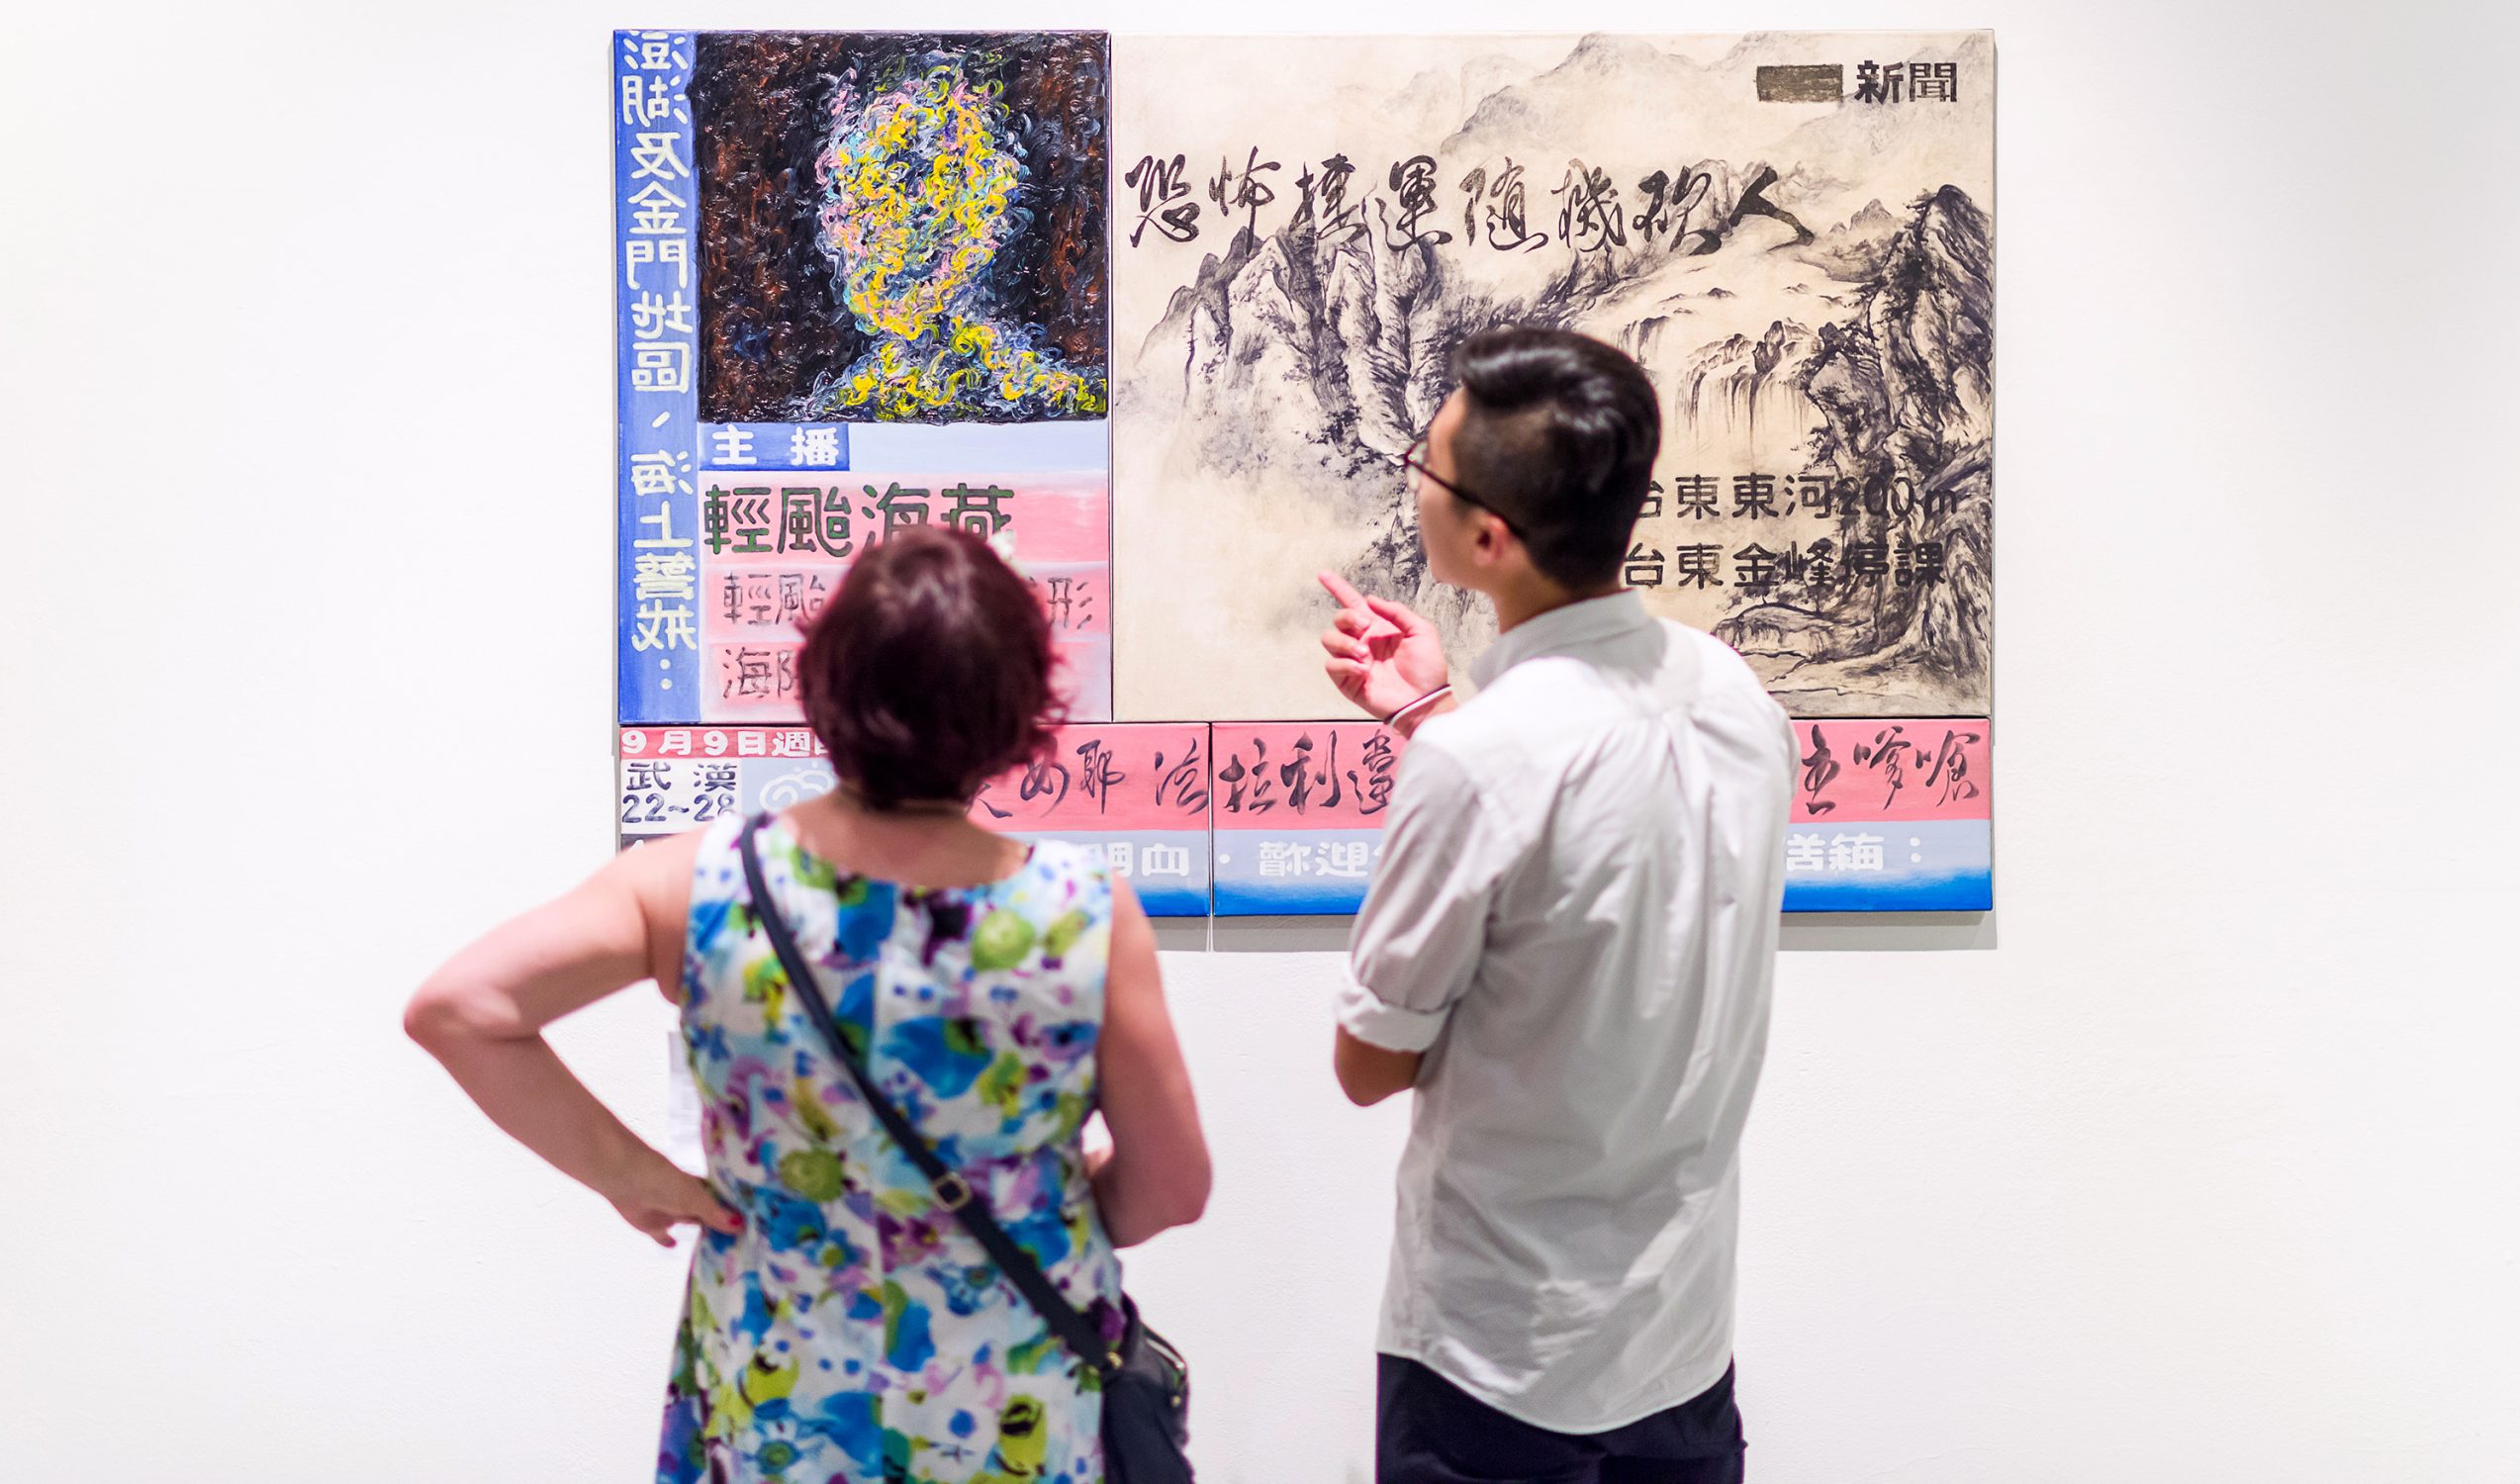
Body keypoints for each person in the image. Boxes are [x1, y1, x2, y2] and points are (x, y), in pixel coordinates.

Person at [407, 526, 1210, 1484]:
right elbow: (1172, 1186)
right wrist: (1034, 1197)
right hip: (1008, 1398)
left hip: (779, 1396)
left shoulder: (694, 884)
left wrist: (632, 1171)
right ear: (1020, 703)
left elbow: (460, 1007)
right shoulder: (1080, 911)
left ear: (823, 681)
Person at [1316, 327, 1797, 1484]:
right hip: (1679, 1342)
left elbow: (1369, 1062)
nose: (1413, 481)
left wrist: (1444, 735)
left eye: (1425, 466)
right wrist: (1430, 710)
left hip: (1497, 1357)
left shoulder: (1480, 760)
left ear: (1486, 536)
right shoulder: (1733, 694)